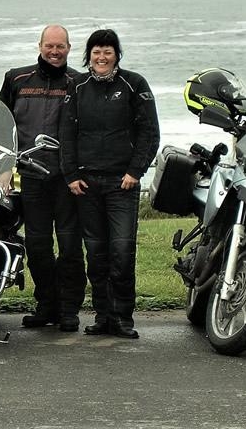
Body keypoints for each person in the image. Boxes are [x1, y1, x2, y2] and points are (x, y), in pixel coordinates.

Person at [60, 28, 159, 339]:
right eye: (96, 51)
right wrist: (71, 175)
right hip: (86, 184)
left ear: (117, 55)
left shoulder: (134, 83)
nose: (102, 57)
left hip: (122, 184)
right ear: (88, 55)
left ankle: (122, 318)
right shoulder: (77, 86)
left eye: (108, 51)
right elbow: (66, 134)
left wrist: (136, 171)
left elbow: (149, 132)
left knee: (122, 250)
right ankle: (102, 316)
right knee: (97, 253)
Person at [0, 24, 84, 332]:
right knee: (38, 245)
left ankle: (69, 309)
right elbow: (1, 125)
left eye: (61, 46)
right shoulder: (16, 78)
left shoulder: (79, 82)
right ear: (40, 46)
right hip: (31, 176)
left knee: (71, 245)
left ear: (69, 48)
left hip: (68, 178)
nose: (55, 51)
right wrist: (5, 167)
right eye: (50, 46)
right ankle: (46, 304)